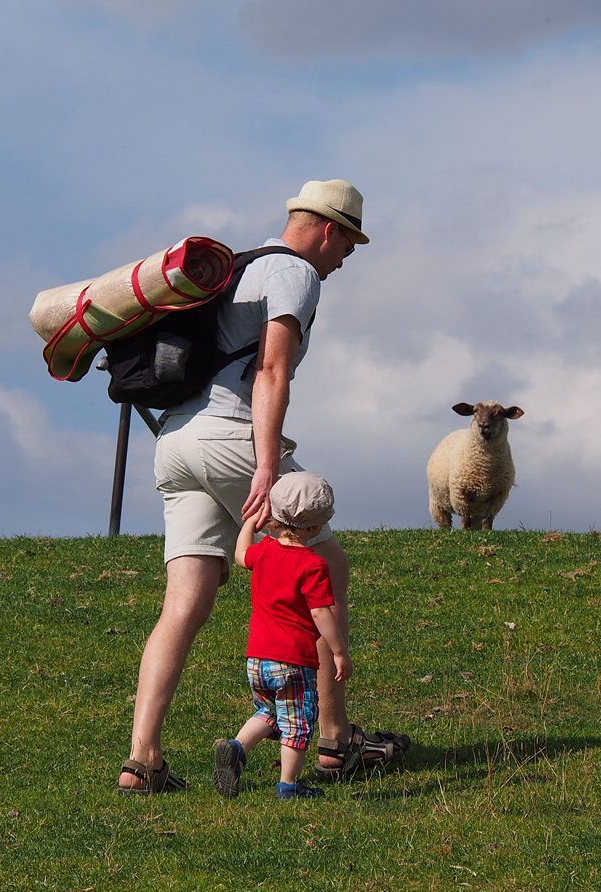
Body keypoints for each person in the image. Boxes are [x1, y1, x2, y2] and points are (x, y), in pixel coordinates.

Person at [118, 180, 409, 794]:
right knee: (324, 561)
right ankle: (333, 739)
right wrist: (267, 464)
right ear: (328, 230)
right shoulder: (295, 274)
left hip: (175, 442)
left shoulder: (235, 269)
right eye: (348, 246)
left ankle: (142, 759)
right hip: (233, 436)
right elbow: (272, 368)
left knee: (183, 604)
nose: (344, 260)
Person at [214, 472, 351, 800]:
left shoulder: (263, 553)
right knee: (298, 724)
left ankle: (236, 748)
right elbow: (321, 614)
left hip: (256, 659)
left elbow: (239, 555)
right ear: (316, 528)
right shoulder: (313, 566)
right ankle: (288, 785)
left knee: (270, 714)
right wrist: (338, 651)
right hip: (293, 660)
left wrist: (250, 521)